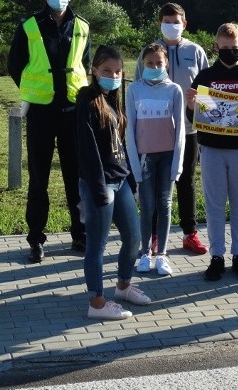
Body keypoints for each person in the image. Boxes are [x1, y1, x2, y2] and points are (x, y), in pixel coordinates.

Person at [7, 0, 89, 263]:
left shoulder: (81, 26)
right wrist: (33, 90)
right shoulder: (29, 26)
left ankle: (80, 235)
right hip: (41, 112)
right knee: (39, 179)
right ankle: (36, 240)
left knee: (76, 176)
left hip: (71, 111)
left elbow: (85, 65)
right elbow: (15, 64)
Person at [185, 23, 238, 281]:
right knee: (214, 205)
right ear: (216, 47)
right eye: (225, 48)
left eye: (235, 48)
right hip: (211, 149)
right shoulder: (205, 77)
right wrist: (190, 105)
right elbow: (194, 115)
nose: (230, 52)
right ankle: (217, 256)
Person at [76, 45, 151, 320]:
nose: (113, 75)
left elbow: (120, 147)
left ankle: (123, 286)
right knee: (97, 244)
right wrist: (97, 191)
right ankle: (96, 304)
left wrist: (130, 179)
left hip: (120, 182)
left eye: (118, 71)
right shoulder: (87, 101)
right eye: (106, 70)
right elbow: (87, 152)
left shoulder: (112, 99)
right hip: (100, 185)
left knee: (134, 238)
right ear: (94, 70)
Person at [133, 3, 209, 255]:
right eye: (167, 21)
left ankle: (190, 233)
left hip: (188, 130)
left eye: (176, 21)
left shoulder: (196, 51)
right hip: (153, 133)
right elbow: (136, 88)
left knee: (186, 181)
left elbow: (208, 89)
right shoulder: (149, 51)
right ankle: (154, 236)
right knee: (154, 187)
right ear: (159, 24)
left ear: (184, 24)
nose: (171, 25)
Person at [126, 44, 185, 277]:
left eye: (159, 63)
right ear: (142, 64)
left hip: (167, 156)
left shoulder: (174, 90)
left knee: (165, 203)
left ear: (166, 64)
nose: (154, 67)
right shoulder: (134, 90)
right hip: (144, 157)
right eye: (150, 63)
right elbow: (129, 129)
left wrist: (177, 165)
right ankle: (144, 253)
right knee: (147, 205)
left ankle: (161, 254)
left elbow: (180, 129)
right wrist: (134, 166)